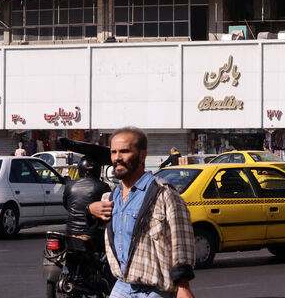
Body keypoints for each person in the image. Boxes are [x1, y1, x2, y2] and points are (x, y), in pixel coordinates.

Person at [90, 127, 195, 298]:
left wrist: (183, 286)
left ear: (142, 155)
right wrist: (91, 211)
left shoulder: (163, 193)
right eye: (114, 152)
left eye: (124, 151)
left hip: (154, 290)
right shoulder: (111, 197)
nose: (117, 158)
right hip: (123, 285)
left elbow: (181, 241)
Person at [64, 155, 108, 242]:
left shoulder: (69, 185)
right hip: (93, 233)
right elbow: (107, 209)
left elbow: (66, 205)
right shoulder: (103, 186)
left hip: (71, 231)